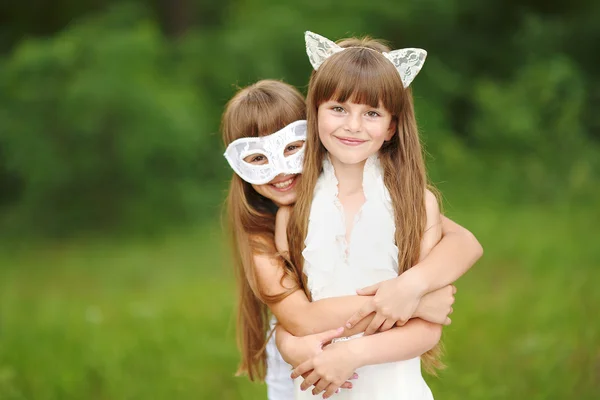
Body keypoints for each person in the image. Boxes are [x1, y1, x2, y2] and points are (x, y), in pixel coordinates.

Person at [221, 78, 482, 399]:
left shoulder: (356, 198)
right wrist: (413, 302)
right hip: (303, 378)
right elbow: (302, 320)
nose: (279, 171)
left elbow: (465, 241)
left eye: (292, 147)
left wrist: (412, 286)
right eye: (258, 158)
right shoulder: (258, 235)